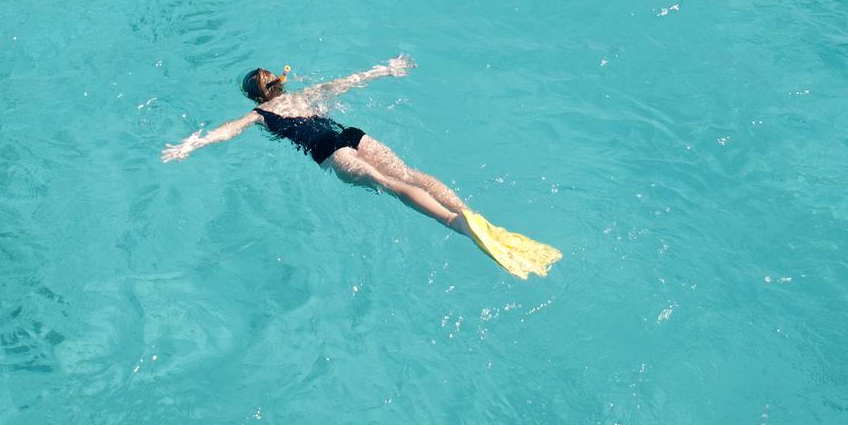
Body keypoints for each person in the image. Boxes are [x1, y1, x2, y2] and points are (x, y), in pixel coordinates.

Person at [163, 58, 561, 278]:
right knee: (409, 173)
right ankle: (469, 213)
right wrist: (387, 69)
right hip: (353, 135)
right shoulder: (307, 94)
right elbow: (349, 81)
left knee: (389, 185)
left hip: (328, 151)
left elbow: (227, 131)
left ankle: (456, 224)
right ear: (279, 85)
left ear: (256, 96)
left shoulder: (260, 114)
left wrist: (190, 144)